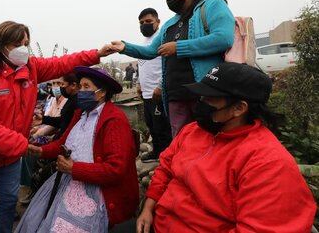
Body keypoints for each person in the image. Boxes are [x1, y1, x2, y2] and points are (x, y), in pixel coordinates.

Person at [0, 21, 116, 233]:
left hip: (9, 156)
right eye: (17, 43)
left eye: (26, 43)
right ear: (0, 45)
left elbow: (62, 63)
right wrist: (20, 144)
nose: (23, 48)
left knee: (8, 205)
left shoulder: (31, 69)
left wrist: (96, 54)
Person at [136, 62, 317, 233]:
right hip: (160, 223)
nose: (200, 105)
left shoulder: (268, 163)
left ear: (239, 108)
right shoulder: (193, 131)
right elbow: (166, 167)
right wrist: (148, 207)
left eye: (209, 100)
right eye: (201, 97)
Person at [16, 66, 139, 232]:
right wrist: (40, 150)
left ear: (102, 92)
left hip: (97, 190)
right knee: (38, 220)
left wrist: (74, 168)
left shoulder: (114, 120)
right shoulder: (81, 114)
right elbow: (64, 144)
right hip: (70, 180)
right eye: (80, 86)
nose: (81, 91)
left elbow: (115, 169)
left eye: (86, 87)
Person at [112, 0, 235, 137]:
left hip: (205, 93)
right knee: (181, 141)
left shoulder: (213, 5)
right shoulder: (170, 24)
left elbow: (223, 38)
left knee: (210, 137)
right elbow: (151, 51)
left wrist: (179, 47)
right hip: (175, 95)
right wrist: (124, 47)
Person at [136, 8, 172, 163]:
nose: (145, 25)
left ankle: (166, 157)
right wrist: (138, 83)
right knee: (151, 125)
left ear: (158, 22)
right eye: (142, 23)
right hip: (146, 93)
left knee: (162, 127)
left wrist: (160, 86)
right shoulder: (143, 43)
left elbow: (167, 65)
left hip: (158, 92)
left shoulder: (162, 39)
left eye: (149, 21)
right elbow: (141, 64)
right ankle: (157, 152)